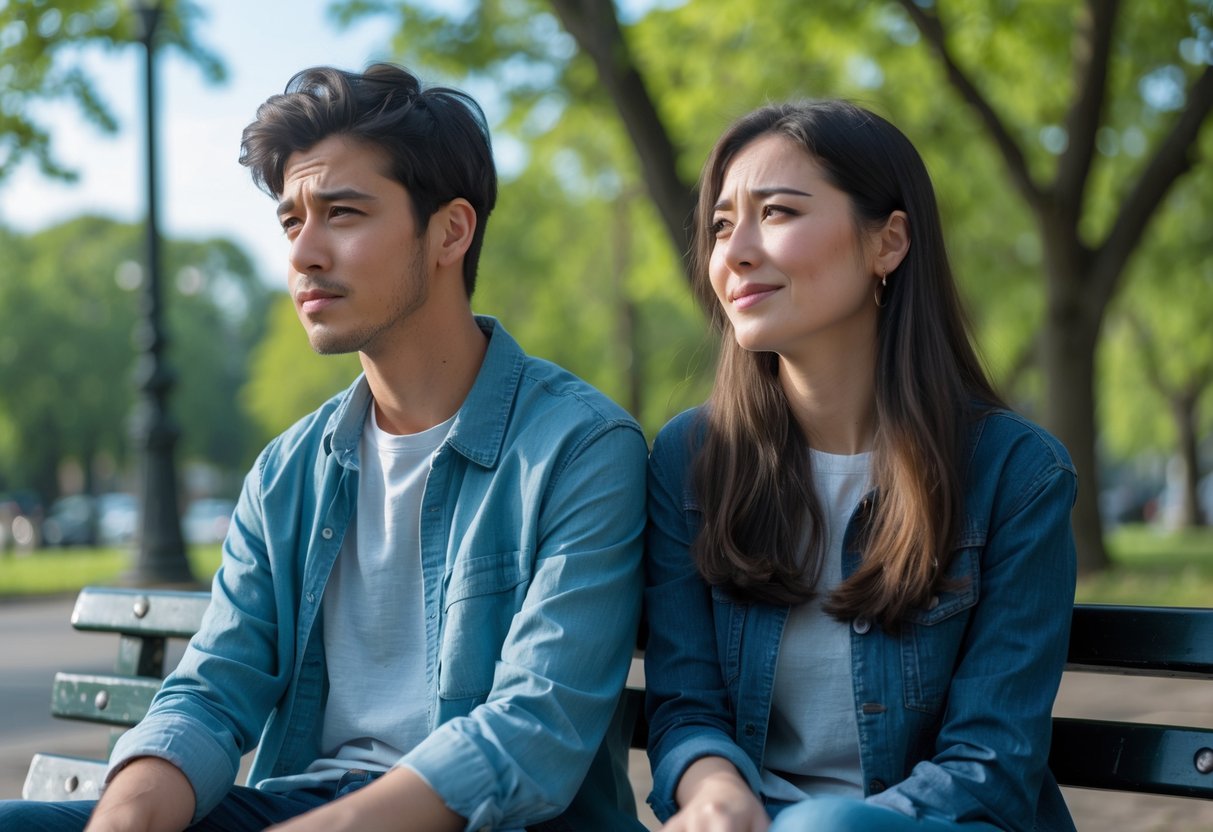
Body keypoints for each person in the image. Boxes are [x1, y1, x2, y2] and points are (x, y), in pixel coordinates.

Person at [0, 64, 648, 832]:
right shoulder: (287, 471)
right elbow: (212, 691)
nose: (304, 253)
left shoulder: (580, 448)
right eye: (290, 222)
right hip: (299, 805)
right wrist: (127, 820)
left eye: (341, 213)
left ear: (450, 230)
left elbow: (532, 733)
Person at [643, 100, 1078, 832]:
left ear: (889, 242)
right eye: (720, 226)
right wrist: (714, 793)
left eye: (777, 213)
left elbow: (990, 765)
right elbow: (687, 707)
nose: (735, 252)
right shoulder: (690, 459)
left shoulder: (1015, 474)